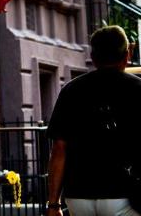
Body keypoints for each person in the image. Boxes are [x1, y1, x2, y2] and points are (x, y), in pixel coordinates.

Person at [47, 25, 141, 216]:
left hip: (78, 196)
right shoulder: (137, 89)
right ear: (126, 55)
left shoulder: (71, 91)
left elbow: (59, 148)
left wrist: (53, 204)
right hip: (124, 193)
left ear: (94, 57)